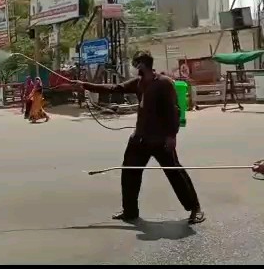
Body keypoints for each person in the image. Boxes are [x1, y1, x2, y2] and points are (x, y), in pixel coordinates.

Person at [70, 50, 205, 225]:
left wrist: (172, 136)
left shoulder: (164, 83)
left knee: (175, 174)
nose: (135, 69)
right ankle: (130, 211)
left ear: (143, 65)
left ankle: (195, 208)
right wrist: (85, 85)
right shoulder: (139, 82)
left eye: (136, 65)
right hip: (140, 139)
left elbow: (174, 111)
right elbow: (115, 88)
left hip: (160, 140)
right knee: (129, 174)